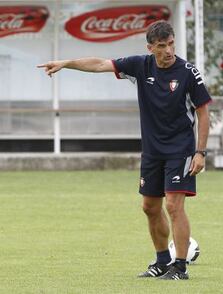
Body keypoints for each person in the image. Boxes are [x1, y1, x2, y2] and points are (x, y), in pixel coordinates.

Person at [38, 20, 211, 280]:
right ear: (151, 47)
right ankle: (162, 261)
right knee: (150, 207)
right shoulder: (140, 65)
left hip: (181, 149)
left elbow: (203, 112)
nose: (168, 51)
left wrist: (201, 152)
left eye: (171, 44)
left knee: (174, 206)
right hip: (152, 151)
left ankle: (181, 266)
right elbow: (100, 64)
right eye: (162, 46)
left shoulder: (188, 72)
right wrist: (66, 63)